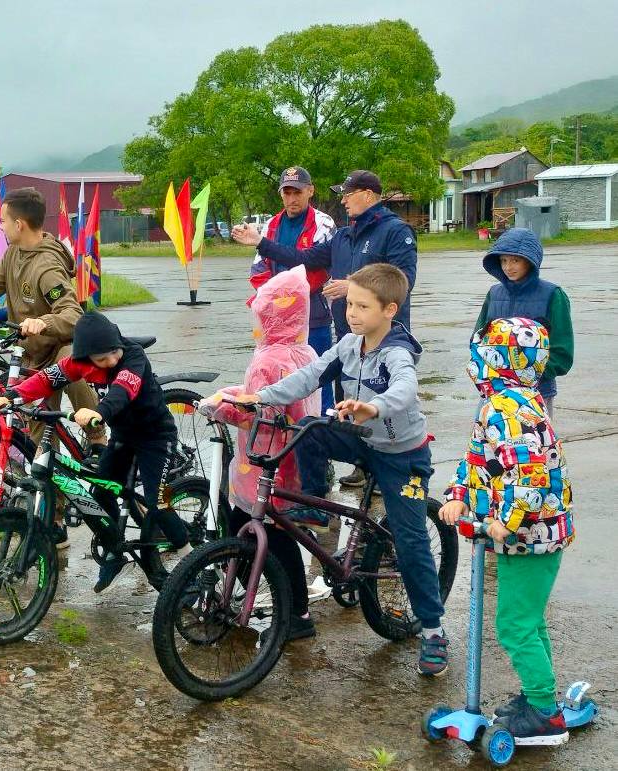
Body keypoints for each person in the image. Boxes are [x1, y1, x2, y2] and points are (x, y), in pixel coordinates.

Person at [233, 264, 447, 676]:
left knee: (411, 538)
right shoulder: (349, 345)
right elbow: (308, 377)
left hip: (403, 455)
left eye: (362, 306)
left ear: (390, 310)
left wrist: (373, 406)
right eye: (349, 303)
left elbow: (405, 389)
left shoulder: (397, 352)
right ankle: (318, 507)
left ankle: (434, 631)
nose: (352, 312)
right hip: (362, 440)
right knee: (307, 428)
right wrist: (259, 397)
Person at [232, 169, 418, 490]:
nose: (343, 199)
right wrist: (261, 242)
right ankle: (357, 472)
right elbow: (301, 257)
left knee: (382, 410)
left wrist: (353, 287)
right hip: (349, 337)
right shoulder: (343, 237)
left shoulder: (395, 231)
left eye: (348, 193)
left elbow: (403, 281)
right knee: (342, 401)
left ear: (369, 196)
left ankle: (391, 473)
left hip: (384, 341)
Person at [440, 317, 574, 746]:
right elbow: (478, 459)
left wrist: (506, 521)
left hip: (532, 536)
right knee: (528, 622)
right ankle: (541, 696)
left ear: (497, 362)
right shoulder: (502, 404)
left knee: (515, 626)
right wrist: (458, 493)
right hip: (531, 535)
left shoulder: (510, 410)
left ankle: (546, 715)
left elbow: (529, 475)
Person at [0, 312, 192, 592]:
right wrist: (10, 396)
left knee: (159, 502)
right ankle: (113, 551)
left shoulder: (133, 358)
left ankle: (193, 564)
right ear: (86, 356)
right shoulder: (78, 362)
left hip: (156, 437)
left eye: (114, 353)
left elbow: (122, 391)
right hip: (124, 436)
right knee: (99, 494)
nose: (112, 360)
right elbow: (46, 380)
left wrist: (97, 412)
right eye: (103, 359)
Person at [0, 188, 107, 520]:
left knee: (68, 366)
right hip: (31, 354)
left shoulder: (46, 266)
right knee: (38, 440)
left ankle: (97, 435)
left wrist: (42, 322)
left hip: (59, 343)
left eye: (2, 221)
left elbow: (71, 315)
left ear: (19, 223)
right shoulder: (13, 254)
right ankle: (52, 515)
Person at [199, 266, 321, 640]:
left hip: (264, 464)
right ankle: (258, 596)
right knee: (266, 530)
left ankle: (295, 615)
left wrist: (221, 407)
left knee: (268, 536)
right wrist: (233, 394)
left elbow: (261, 412)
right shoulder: (301, 351)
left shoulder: (269, 359)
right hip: (294, 457)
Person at [246, 167, 336, 412]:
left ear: (310, 191)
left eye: (297, 192)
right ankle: (286, 436)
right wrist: (268, 300)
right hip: (275, 323)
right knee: (280, 376)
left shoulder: (323, 222)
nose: (292, 198)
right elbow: (258, 269)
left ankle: (324, 429)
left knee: (320, 375)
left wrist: (290, 297)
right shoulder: (271, 225)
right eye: (287, 192)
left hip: (313, 316)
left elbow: (318, 266)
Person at [473, 228, 573, 416]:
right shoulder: (494, 294)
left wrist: (525, 375)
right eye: (503, 260)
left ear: (530, 261)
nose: (508, 267)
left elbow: (562, 354)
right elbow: (478, 340)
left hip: (537, 393)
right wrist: (489, 374)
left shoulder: (553, 295)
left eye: (515, 260)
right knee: (487, 442)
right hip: (495, 392)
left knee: (535, 444)